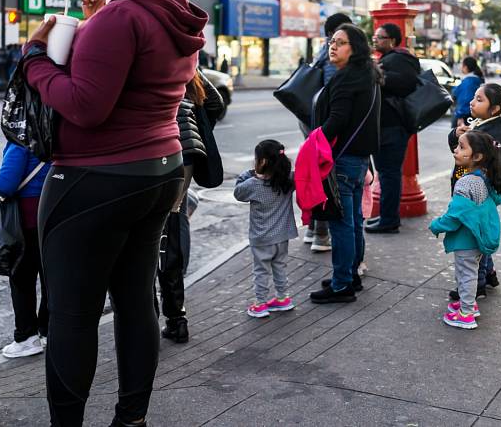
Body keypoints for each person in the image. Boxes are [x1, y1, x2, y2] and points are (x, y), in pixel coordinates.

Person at [24, 0, 208, 426]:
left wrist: (35, 58)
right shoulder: (172, 14)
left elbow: (85, 105)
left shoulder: (122, 16)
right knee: (135, 300)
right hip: (158, 170)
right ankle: (131, 418)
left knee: (72, 314)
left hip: (95, 177)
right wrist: (98, 16)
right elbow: (128, 70)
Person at [308, 23, 381, 304]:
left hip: (342, 159)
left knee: (341, 223)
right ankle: (350, 275)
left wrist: (315, 140)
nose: (333, 46)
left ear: (356, 48)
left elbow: (337, 119)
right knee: (352, 221)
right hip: (359, 159)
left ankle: (341, 285)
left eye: (340, 42)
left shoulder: (346, 78)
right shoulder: (368, 74)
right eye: (331, 41)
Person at [157, 70, 224, 344]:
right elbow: (215, 103)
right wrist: (196, 131)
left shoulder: (147, 50)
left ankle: (151, 319)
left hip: (156, 153)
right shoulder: (186, 59)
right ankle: (177, 319)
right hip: (185, 155)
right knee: (171, 229)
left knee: (144, 241)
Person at [448, 83, 501, 299]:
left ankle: (476, 286)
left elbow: (470, 158)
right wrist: (458, 135)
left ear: (495, 109)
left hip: (476, 197)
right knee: (479, 236)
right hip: (472, 192)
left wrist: (466, 139)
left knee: (473, 239)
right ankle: (489, 273)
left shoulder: (493, 134)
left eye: (479, 99)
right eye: (474, 97)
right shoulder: (481, 126)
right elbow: (460, 153)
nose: (472, 102)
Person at [430, 131, 501, 329]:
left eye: (462, 147)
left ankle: (466, 313)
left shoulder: (466, 182)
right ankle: (467, 303)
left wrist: (436, 225)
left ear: (477, 157)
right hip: (477, 237)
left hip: (467, 239)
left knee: (466, 274)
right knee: (468, 272)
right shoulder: (483, 177)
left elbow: (455, 216)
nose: (456, 149)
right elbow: (496, 200)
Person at [0, 142, 51, 357]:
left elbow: (5, 184)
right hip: (54, 215)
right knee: (50, 277)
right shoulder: (57, 132)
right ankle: (49, 330)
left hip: (26, 221)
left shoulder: (21, 141)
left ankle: (26, 337)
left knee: (21, 279)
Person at [301, 12, 353, 252]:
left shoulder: (322, 51)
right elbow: (335, 92)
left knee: (315, 171)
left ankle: (312, 229)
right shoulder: (337, 57)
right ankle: (321, 233)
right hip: (325, 123)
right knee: (325, 174)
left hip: (311, 118)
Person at [365, 23, 419, 234]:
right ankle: (388, 217)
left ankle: (389, 220)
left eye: (380, 37)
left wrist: (378, 75)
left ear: (394, 40)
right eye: (375, 37)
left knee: (388, 174)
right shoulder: (396, 59)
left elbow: (404, 84)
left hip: (391, 128)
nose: (376, 40)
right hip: (391, 127)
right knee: (388, 174)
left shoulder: (398, 60)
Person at [234, 139, 298, 317]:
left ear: (261, 162)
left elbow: (238, 192)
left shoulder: (253, 184)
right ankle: (282, 298)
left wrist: (251, 173)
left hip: (262, 238)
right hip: (283, 235)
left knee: (261, 270)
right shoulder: (288, 179)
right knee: (280, 266)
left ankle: (260, 303)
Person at [452, 56, 485, 127]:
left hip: (465, 117)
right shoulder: (476, 80)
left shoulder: (468, 83)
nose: (460, 67)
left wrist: (460, 116)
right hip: (473, 116)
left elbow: (465, 100)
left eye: (462, 65)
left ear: (466, 67)